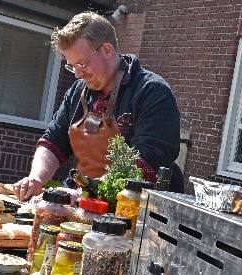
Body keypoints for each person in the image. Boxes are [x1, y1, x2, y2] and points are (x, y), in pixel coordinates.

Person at [14, 12, 183, 201]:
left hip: (137, 210)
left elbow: (146, 166)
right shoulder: (77, 92)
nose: (78, 74)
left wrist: (85, 193)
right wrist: (36, 178)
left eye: (82, 64)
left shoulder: (152, 92)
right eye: (72, 66)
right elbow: (53, 141)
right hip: (82, 201)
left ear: (107, 51)